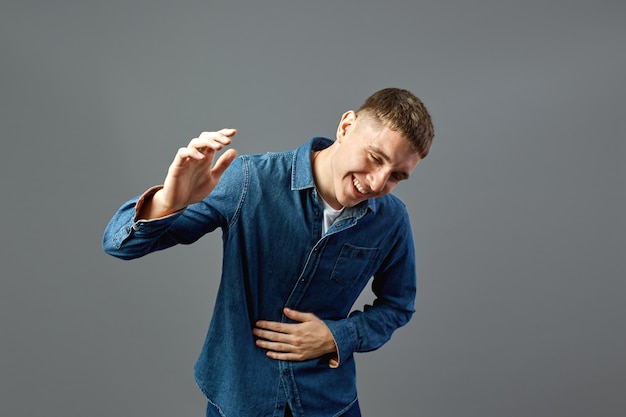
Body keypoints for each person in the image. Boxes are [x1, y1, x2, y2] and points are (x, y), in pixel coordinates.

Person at [102, 88, 434, 417]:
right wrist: (167, 203)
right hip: (241, 399)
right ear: (346, 126)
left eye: (397, 176)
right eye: (375, 158)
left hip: (329, 403)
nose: (377, 183)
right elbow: (120, 246)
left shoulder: (391, 219)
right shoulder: (250, 181)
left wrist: (336, 336)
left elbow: (398, 306)